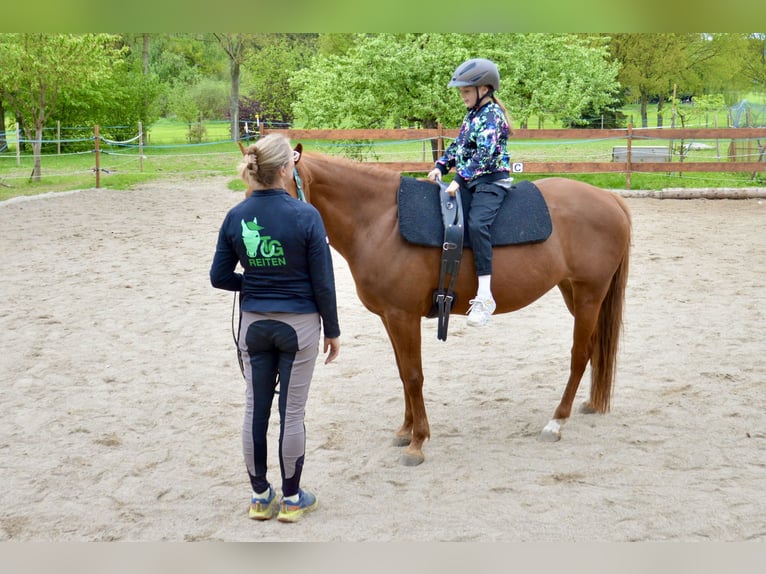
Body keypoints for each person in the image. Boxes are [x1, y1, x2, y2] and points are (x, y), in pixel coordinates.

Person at [210, 133, 341, 523]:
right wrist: (332, 331)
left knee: (255, 408)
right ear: (286, 169)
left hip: (254, 326)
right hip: (298, 328)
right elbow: (324, 283)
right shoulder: (306, 216)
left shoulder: (236, 215)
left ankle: (259, 496)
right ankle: (292, 498)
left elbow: (219, 276)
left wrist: (251, 283)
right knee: (293, 413)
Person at [427, 57, 513, 327]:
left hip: (491, 182)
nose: (462, 96)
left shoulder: (492, 117)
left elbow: (485, 155)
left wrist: (459, 179)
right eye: (461, 92)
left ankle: (486, 297)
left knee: (477, 225)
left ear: (484, 89)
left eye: (466, 91)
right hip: (471, 181)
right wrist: (441, 165)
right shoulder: (472, 115)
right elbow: (459, 146)